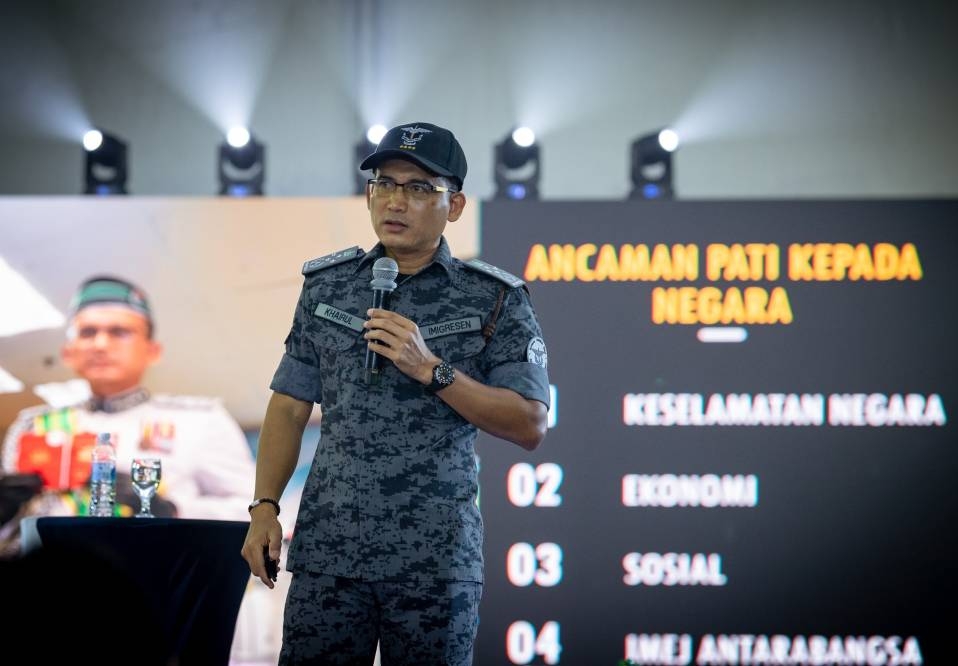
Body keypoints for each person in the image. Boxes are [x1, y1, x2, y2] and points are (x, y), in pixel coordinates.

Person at [241, 121, 550, 665]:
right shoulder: (328, 286)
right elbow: (290, 405)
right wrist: (264, 507)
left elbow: (528, 423)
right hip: (329, 552)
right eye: (384, 184)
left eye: (417, 188)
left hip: (434, 559)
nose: (395, 201)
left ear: (453, 205)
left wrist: (433, 370)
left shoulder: (493, 298)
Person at [1, 275, 255, 523]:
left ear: (152, 351)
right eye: (88, 332)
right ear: (68, 352)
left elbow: (252, 512)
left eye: (119, 332)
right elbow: (12, 540)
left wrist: (171, 510)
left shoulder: (200, 421)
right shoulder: (32, 427)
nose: (100, 344)